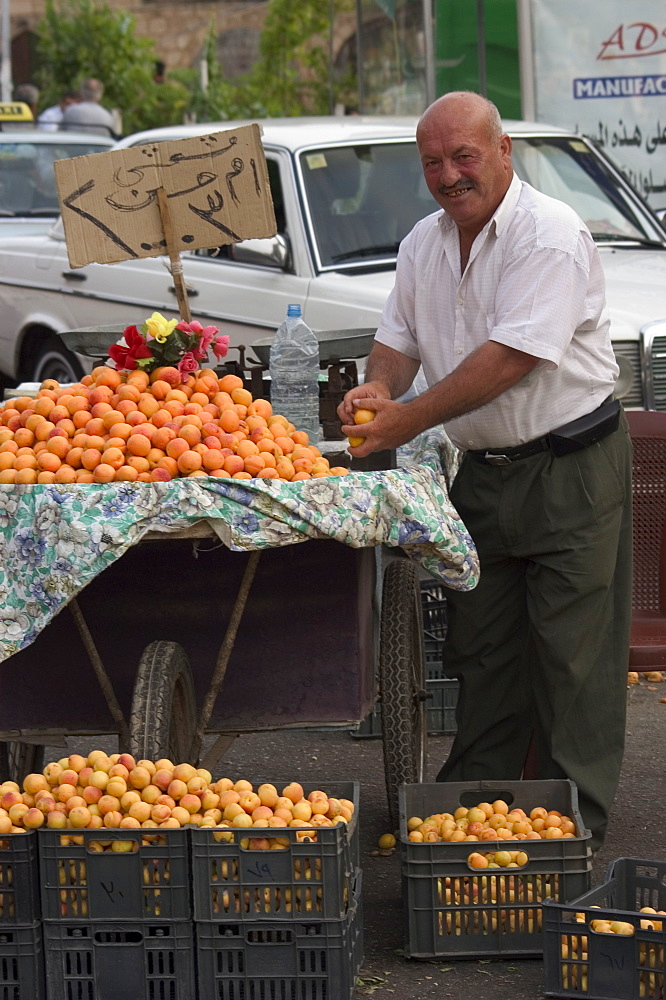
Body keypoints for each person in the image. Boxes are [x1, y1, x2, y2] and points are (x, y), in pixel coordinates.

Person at [337, 91, 633, 852]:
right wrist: (379, 389)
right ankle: (482, 807)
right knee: (483, 645)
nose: (449, 174)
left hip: (571, 464)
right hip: (484, 471)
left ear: (504, 153)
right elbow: (397, 340)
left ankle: (572, 826)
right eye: (433, 162)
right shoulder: (421, 244)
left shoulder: (550, 234)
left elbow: (511, 359)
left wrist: (410, 418)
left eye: (464, 156)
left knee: (572, 655)